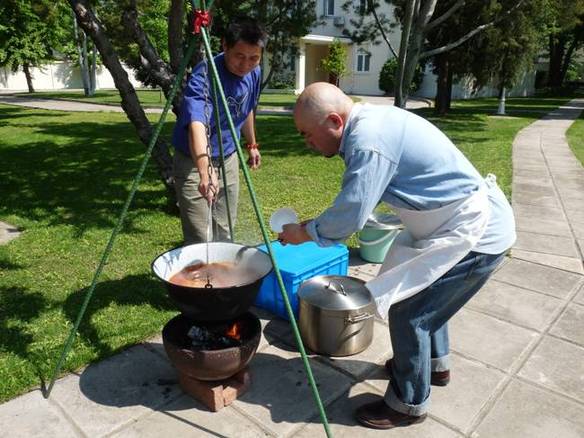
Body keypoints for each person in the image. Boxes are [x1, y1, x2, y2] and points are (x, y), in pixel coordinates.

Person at [278, 82, 516, 430]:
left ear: (334, 121)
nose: (307, 143)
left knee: (409, 312)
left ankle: (408, 404)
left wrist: (305, 233)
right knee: (424, 295)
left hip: (477, 234)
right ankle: (434, 366)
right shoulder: (371, 124)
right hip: (446, 226)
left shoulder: (368, 140)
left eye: (307, 134)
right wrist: (314, 225)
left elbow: (352, 212)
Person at [172, 17, 267, 244]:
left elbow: (246, 110)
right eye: (239, 56)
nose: (246, 65)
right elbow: (197, 124)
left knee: (225, 230)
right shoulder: (204, 75)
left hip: (228, 156)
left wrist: (252, 144)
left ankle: (224, 276)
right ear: (224, 46)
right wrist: (205, 173)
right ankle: (200, 277)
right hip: (193, 161)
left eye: (254, 58)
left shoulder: (254, 72)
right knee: (200, 235)